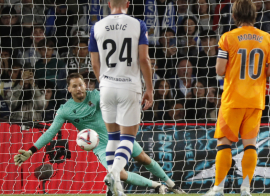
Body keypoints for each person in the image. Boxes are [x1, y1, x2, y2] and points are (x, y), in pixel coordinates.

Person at [13, 73, 184, 194]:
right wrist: (31, 150)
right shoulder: (65, 110)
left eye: (81, 84)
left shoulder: (96, 96)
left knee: (144, 159)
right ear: (69, 89)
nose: (79, 88)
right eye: (75, 86)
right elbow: (50, 132)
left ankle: (172, 185)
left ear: (85, 85)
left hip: (119, 135)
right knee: (119, 174)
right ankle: (156, 186)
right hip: (101, 146)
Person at [88, 0, 164, 196]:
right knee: (128, 138)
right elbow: (143, 59)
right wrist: (149, 88)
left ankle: (117, 189)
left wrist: (104, 82)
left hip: (106, 86)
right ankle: (113, 173)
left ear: (109, 4)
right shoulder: (137, 24)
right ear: (128, 4)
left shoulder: (96, 27)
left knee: (113, 136)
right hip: (129, 87)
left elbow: (95, 64)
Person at [204, 0, 270, 196]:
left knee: (224, 144)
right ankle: (246, 187)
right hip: (255, 100)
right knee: (250, 144)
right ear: (254, 15)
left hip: (233, 99)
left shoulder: (228, 37)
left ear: (234, 15)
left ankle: (218, 188)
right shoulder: (266, 38)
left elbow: (219, 70)